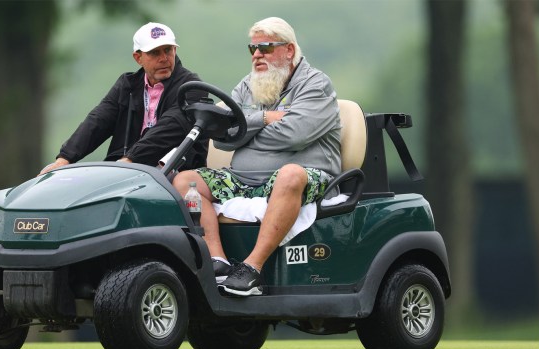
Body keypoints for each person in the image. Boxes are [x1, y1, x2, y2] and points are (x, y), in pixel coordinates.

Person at [172, 17, 341, 296]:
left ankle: (251, 268)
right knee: (185, 181)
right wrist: (264, 117)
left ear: (289, 50)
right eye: (253, 49)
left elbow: (294, 134)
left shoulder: (316, 84)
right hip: (245, 177)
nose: (258, 55)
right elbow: (223, 136)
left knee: (290, 173)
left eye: (266, 48)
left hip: (306, 175)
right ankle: (219, 262)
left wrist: (245, 133)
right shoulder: (248, 85)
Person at [40, 22, 208, 175]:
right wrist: (64, 159)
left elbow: (170, 127)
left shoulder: (192, 87)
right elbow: (98, 121)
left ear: (175, 50)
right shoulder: (127, 85)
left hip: (175, 173)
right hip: (126, 171)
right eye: (155, 53)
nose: (163, 58)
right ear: (138, 58)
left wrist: (130, 160)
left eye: (167, 50)